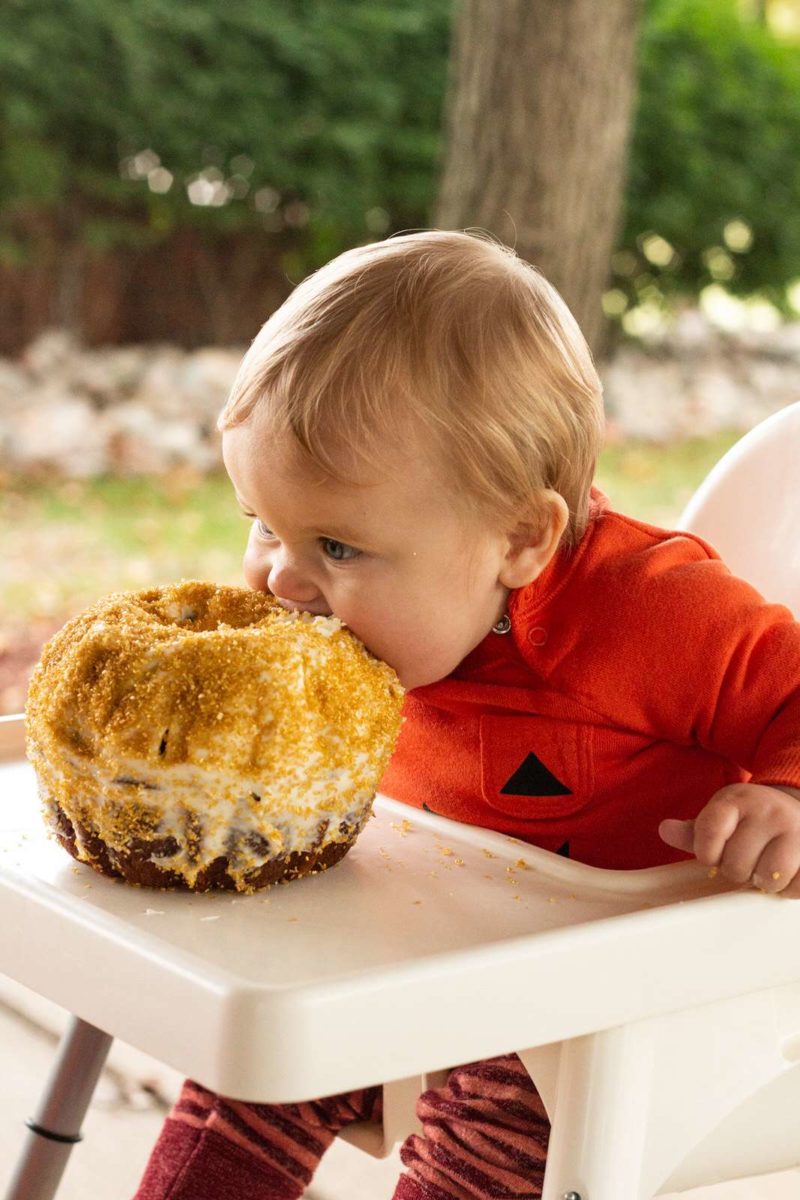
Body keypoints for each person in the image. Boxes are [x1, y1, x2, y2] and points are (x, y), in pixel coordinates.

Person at [134, 230, 800, 1200]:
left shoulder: (647, 612)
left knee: (489, 1125)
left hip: (603, 1010)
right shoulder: (367, 623)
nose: (282, 579)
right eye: (260, 526)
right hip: (418, 942)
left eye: (335, 546)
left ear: (519, 538)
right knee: (254, 1068)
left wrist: (785, 793)